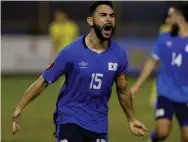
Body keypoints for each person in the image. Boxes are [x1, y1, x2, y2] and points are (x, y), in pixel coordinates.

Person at [12, 1, 148, 142]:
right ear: (90, 20)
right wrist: (19, 107)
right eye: (103, 15)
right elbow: (43, 81)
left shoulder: (119, 55)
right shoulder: (70, 52)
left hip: (99, 124)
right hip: (70, 117)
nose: (109, 19)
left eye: (112, 16)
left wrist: (131, 119)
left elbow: (123, 89)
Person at [131, 2, 188, 142]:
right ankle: (153, 138)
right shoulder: (164, 37)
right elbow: (152, 62)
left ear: (181, 17)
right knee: (162, 133)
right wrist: (136, 86)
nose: (168, 17)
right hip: (166, 93)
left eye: (172, 15)